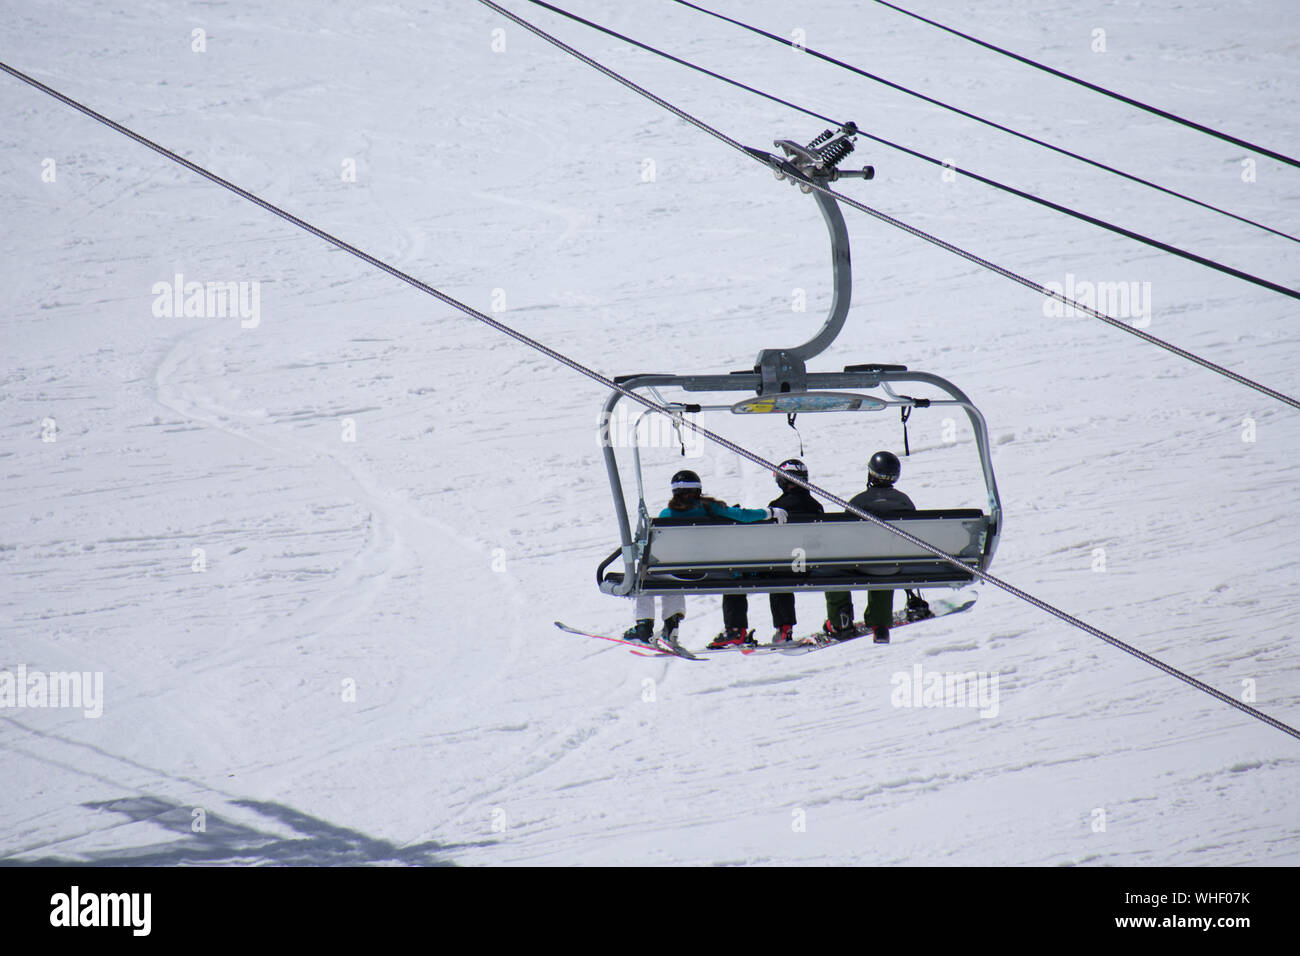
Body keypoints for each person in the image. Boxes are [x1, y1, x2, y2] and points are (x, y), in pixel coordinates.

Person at [623, 470, 787, 647]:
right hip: (706, 572)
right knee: (670, 578)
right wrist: (769, 512)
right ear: (698, 490)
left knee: (649, 577)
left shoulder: (666, 514)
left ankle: (644, 626)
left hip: (674, 572)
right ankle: (671, 626)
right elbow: (743, 516)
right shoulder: (711, 509)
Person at [715, 458, 825, 646]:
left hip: (781, 567)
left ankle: (736, 629)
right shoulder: (816, 506)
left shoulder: (779, 506)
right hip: (808, 566)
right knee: (783, 572)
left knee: (739, 574)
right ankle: (785, 628)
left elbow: (766, 540)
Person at [823, 451, 921, 644]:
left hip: (860, 562)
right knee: (885, 565)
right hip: (893, 563)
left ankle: (840, 620)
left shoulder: (859, 502)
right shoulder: (905, 502)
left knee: (832, 568)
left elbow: (845, 536)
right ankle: (880, 624)